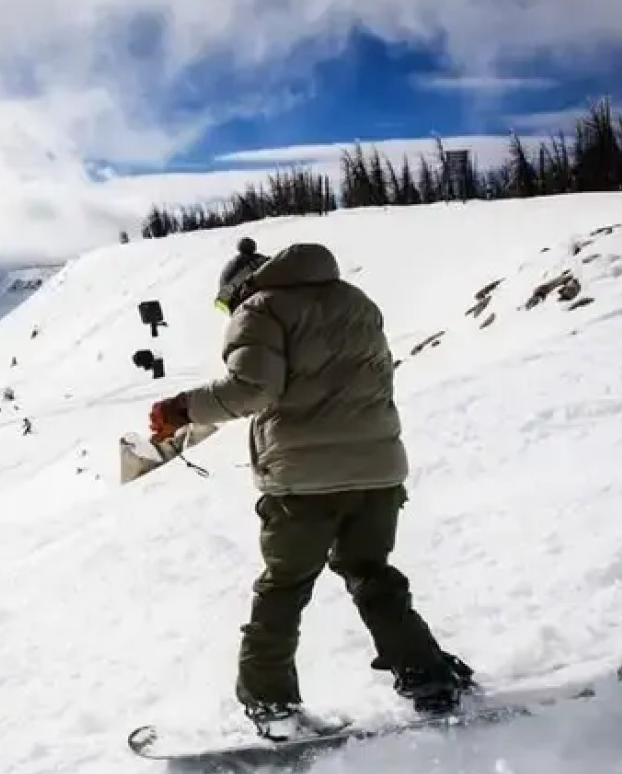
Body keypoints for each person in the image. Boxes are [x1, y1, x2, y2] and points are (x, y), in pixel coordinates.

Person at [147, 236, 475, 740]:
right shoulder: (356, 300)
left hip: (305, 480)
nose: (227, 310)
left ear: (240, 286)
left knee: (284, 586)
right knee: (372, 573)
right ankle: (428, 677)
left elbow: (252, 390)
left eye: (223, 301)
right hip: (379, 470)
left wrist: (180, 409)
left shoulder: (260, 309)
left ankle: (270, 704)